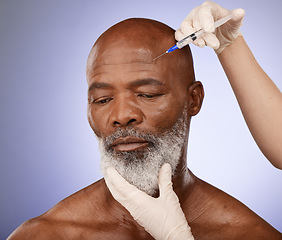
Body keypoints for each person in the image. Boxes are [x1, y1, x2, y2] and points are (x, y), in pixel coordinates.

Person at [8, 3, 282, 240]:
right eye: (102, 100)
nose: (122, 115)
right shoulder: (44, 235)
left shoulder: (249, 234)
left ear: (194, 100)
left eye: (147, 94)